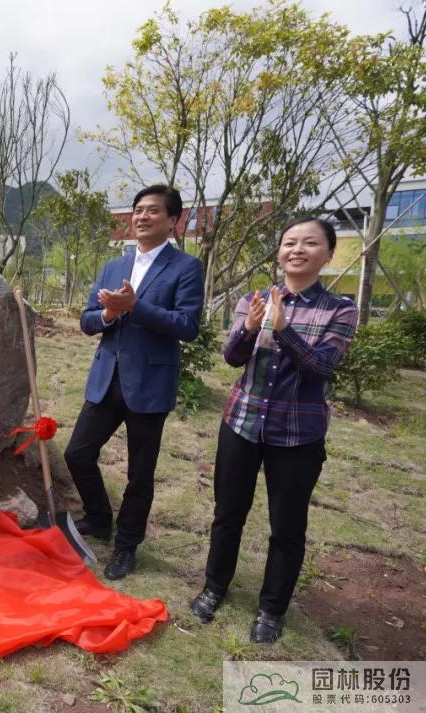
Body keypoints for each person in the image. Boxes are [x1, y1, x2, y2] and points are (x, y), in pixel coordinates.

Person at [189, 217, 357, 643]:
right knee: (228, 513)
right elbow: (232, 357)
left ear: (328, 254)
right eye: (289, 243)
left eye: (310, 243)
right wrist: (249, 327)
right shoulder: (254, 299)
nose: (297, 250)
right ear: (280, 252)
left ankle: (271, 609)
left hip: (298, 433)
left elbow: (322, 368)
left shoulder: (340, 309)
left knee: (287, 526)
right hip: (242, 422)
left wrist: (284, 331)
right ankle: (214, 587)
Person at [64, 184, 204, 580]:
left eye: (153, 210)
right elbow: (87, 320)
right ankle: (99, 518)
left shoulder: (185, 267)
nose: (142, 216)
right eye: (138, 210)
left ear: (173, 220)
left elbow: (188, 325)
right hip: (107, 378)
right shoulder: (115, 265)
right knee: (77, 454)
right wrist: (108, 315)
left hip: (149, 383)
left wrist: (136, 307)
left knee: (139, 475)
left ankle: (126, 546)